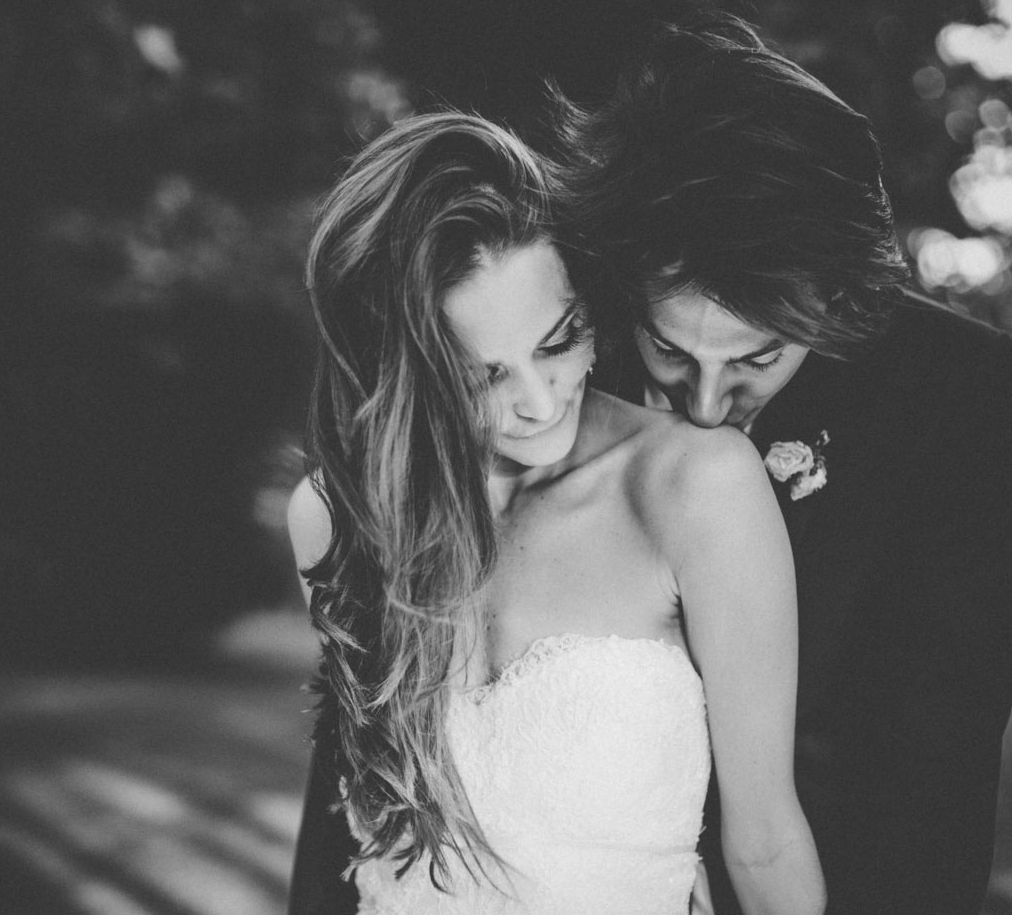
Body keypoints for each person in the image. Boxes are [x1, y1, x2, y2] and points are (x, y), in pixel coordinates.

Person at [286, 110, 824, 914]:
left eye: (559, 339)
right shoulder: (335, 516)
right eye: (480, 378)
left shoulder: (694, 486)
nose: (538, 404)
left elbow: (765, 838)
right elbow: (364, 823)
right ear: (400, 374)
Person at [559, 14, 1012, 915]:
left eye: (756, 360)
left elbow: (932, 770)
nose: (701, 406)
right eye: (669, 349)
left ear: (838, 298)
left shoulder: (944, 390)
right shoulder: (550, 358)